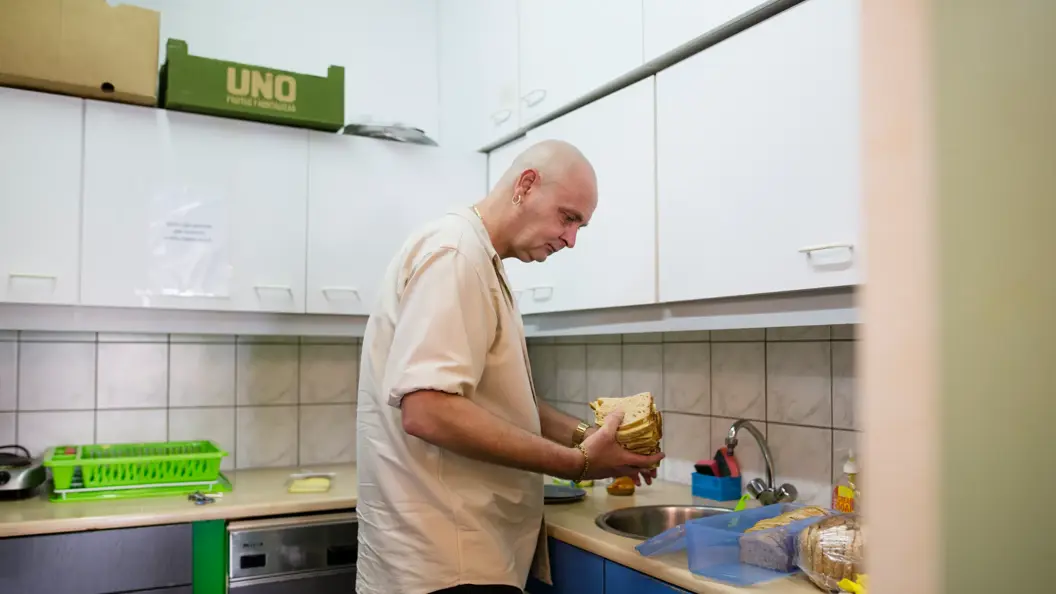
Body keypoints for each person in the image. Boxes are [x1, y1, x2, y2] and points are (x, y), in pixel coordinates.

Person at [355, 139, 665, 594]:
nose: (571, 239)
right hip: (446, 565)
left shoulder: (479, 257)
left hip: (459, 558)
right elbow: (428, 409)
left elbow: (502, 403)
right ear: (526, 185)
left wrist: (588, 438)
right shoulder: (456, 254)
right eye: (568, 216)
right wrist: (577, 463)